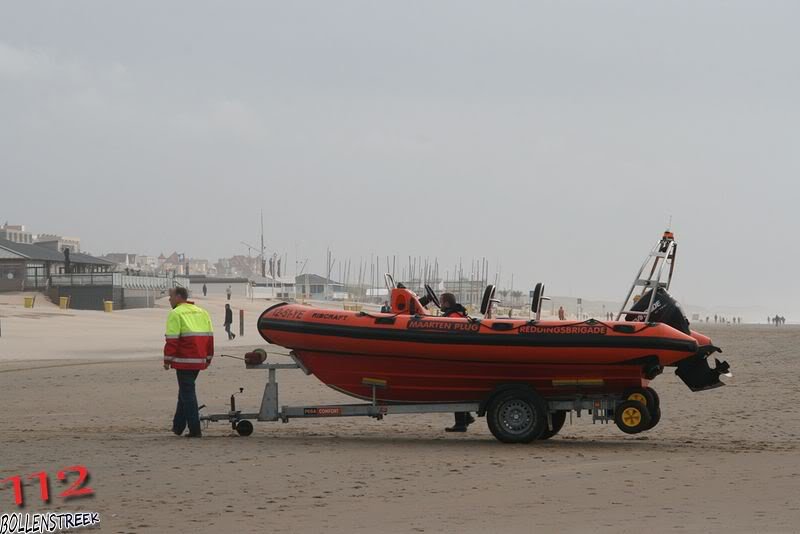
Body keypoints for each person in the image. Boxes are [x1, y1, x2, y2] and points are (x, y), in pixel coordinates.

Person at [164, 287, 214, 438]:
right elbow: (209, 337)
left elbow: (172, 339)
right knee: (185, 392)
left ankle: (195, 429)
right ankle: (178, 427)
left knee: (188, 394)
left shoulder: (176, 313)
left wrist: (167, 359)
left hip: (184, 359)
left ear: (179, 297)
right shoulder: (202, 311)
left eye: (171, 296)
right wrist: (209, 357)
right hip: (199, 359)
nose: (169, 299)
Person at [437, 293, 474, 432]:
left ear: (446, 303)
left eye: (441, 302)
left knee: (456, 390)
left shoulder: (453, 317)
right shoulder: (459, 314)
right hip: (461, 358)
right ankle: (467, 418)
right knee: (459, 390)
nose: (440, 305)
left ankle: (461, 424)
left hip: (457, 359)